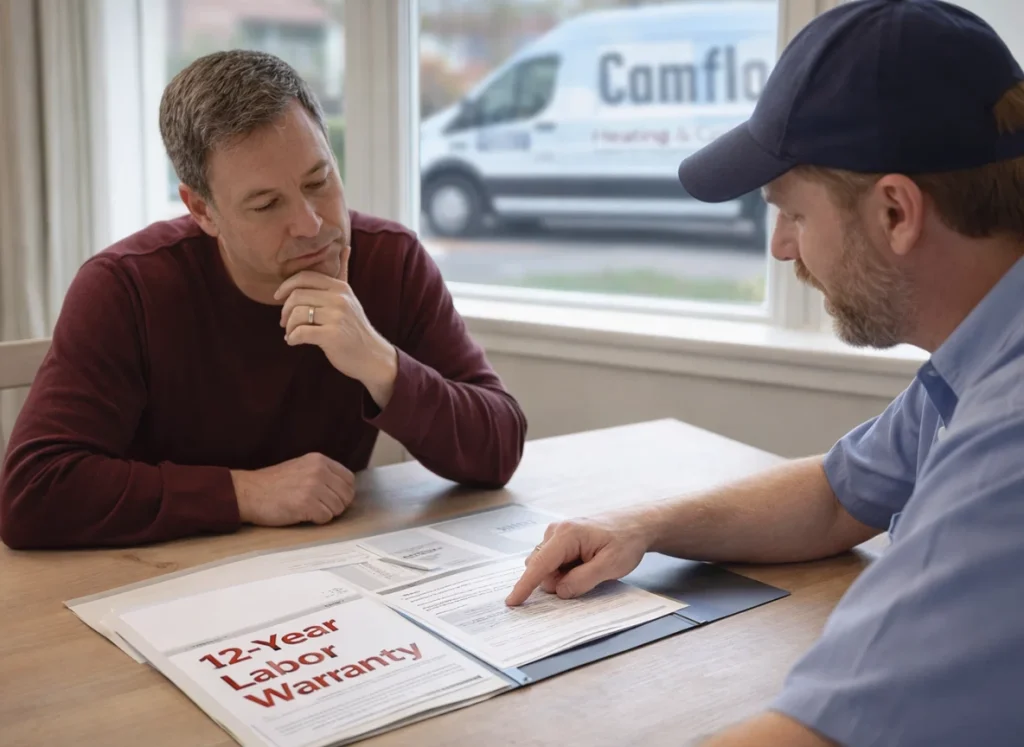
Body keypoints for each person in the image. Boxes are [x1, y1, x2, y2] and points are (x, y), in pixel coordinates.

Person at [506, 1, 1024, 745]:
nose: (782, 247)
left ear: (896, 212)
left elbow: (819, 733)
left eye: (794, 214)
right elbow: (838, 495)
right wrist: (643, 525)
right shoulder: (980, 354)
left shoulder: (1008, 433)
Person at [0, 50, 527, 550]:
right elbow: (33, 492)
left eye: (318, 180)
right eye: (267, 204)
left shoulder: (391, 261)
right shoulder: (125, 289)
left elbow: (499, 449)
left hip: (328, 570)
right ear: (202, 210)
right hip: (155, 579)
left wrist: (380, 363)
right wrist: (245, 493)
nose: (310, 224)